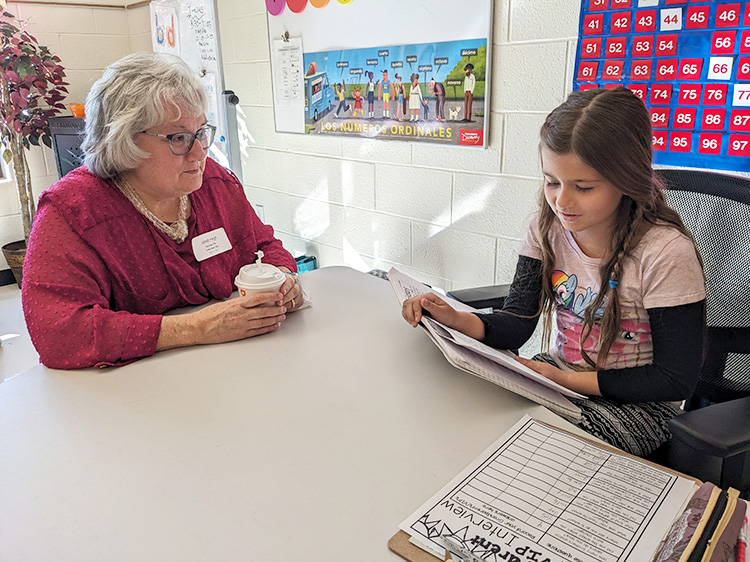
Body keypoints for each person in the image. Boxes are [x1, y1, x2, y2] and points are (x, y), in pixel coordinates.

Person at [401, 87, 706, 457]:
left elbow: (674, 379)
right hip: (560, 379)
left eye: (584, 187)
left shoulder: (665, 252)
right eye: (552, 182)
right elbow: (517, 322)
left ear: (628, 180)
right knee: (470, 411)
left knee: (542, 451)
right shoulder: (546, 231)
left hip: (639, 404)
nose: (562, 201)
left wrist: (567, 380)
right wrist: (455, 318)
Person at [22, 53, 305, 369]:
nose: (200, 152)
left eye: (201, 132)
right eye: (180, 137)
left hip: (237, 369)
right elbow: (60, 334)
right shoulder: (73, 211)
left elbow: (266, 247)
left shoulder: (215, 182)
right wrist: (195, 328)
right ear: (125, 141)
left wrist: (282, 278)